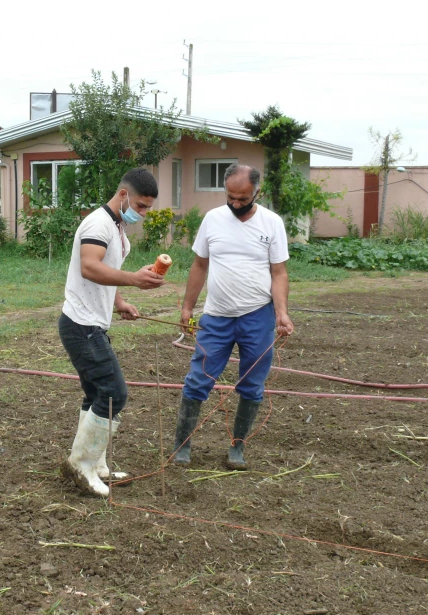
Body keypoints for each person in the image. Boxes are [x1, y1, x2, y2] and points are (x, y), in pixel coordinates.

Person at [173, 164, 294, 470]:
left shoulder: (272, 223)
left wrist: (282, 313)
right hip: (216, 317)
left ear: (257, 192)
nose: (236, 204)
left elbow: (278, 272)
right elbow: (200, 265)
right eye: (231, 197)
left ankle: (237, 448)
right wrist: (188, 306)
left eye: (243, 198)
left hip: (258, 317)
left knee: (252, 385)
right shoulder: (213, 219)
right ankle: (181, 446)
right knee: (198, 380)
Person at [59, 168, 165, 497]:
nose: (143, 213)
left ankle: (96, 463)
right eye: (141, 206)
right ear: (123, 195)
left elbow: (106, 272)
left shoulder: (117, 227)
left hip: (92, 323)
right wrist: (134, 278)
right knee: (113, 393)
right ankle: (81, 465)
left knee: (96, 395)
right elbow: (89, 266)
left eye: (147, 207)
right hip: (81, 325)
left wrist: (119, 301)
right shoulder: (98, 224)